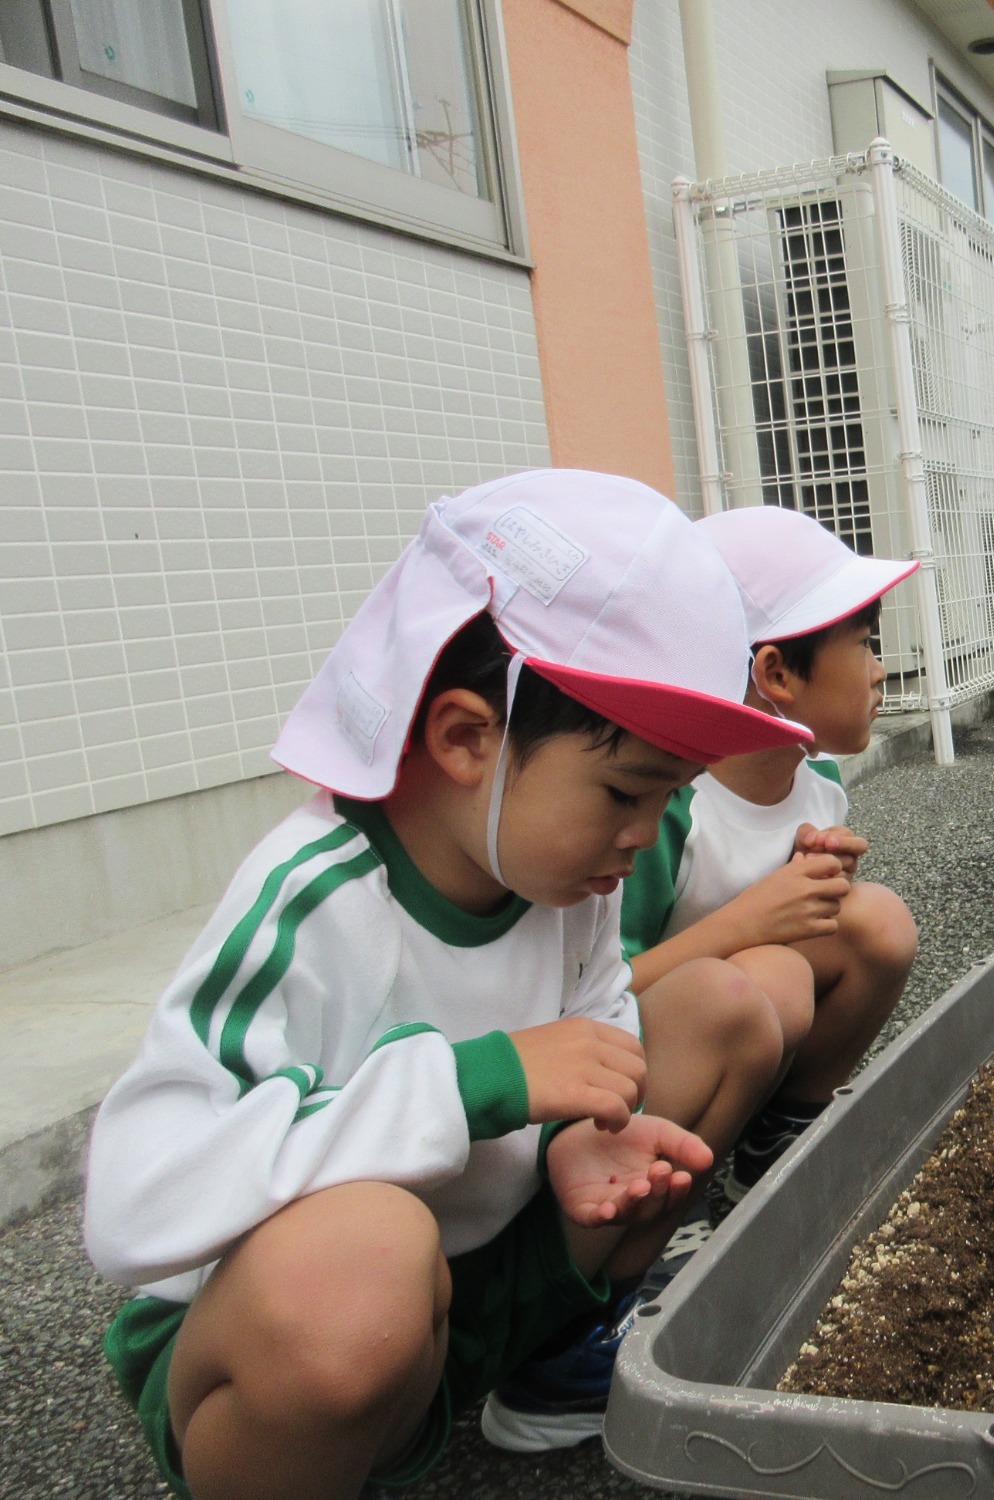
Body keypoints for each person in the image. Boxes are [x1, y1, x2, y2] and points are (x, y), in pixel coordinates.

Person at [84, 470, 815, 1500]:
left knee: (718, 1014)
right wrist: (474, 1083)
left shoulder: (564, 878)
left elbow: (599, 1019)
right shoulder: (318, 897)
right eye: (624, 791)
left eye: (669, 798)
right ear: (469, 738)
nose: (644, 836)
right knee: (364, 1268)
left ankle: (551, 1371)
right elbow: (136, 1200)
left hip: (473, 1275)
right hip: (291, 1327)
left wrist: (576, 1140)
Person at [619, 506, 920, 1209]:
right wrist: (754, 918)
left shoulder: (819, 785)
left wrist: (818, 887)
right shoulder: (666, 810)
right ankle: (665, 1209)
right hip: (635, 1072)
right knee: (770, 983)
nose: (880, 671)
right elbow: (597, 997)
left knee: (876, 921)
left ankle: (774, 1146)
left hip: (739, 1035)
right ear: (777, 673)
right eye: (865, 646)